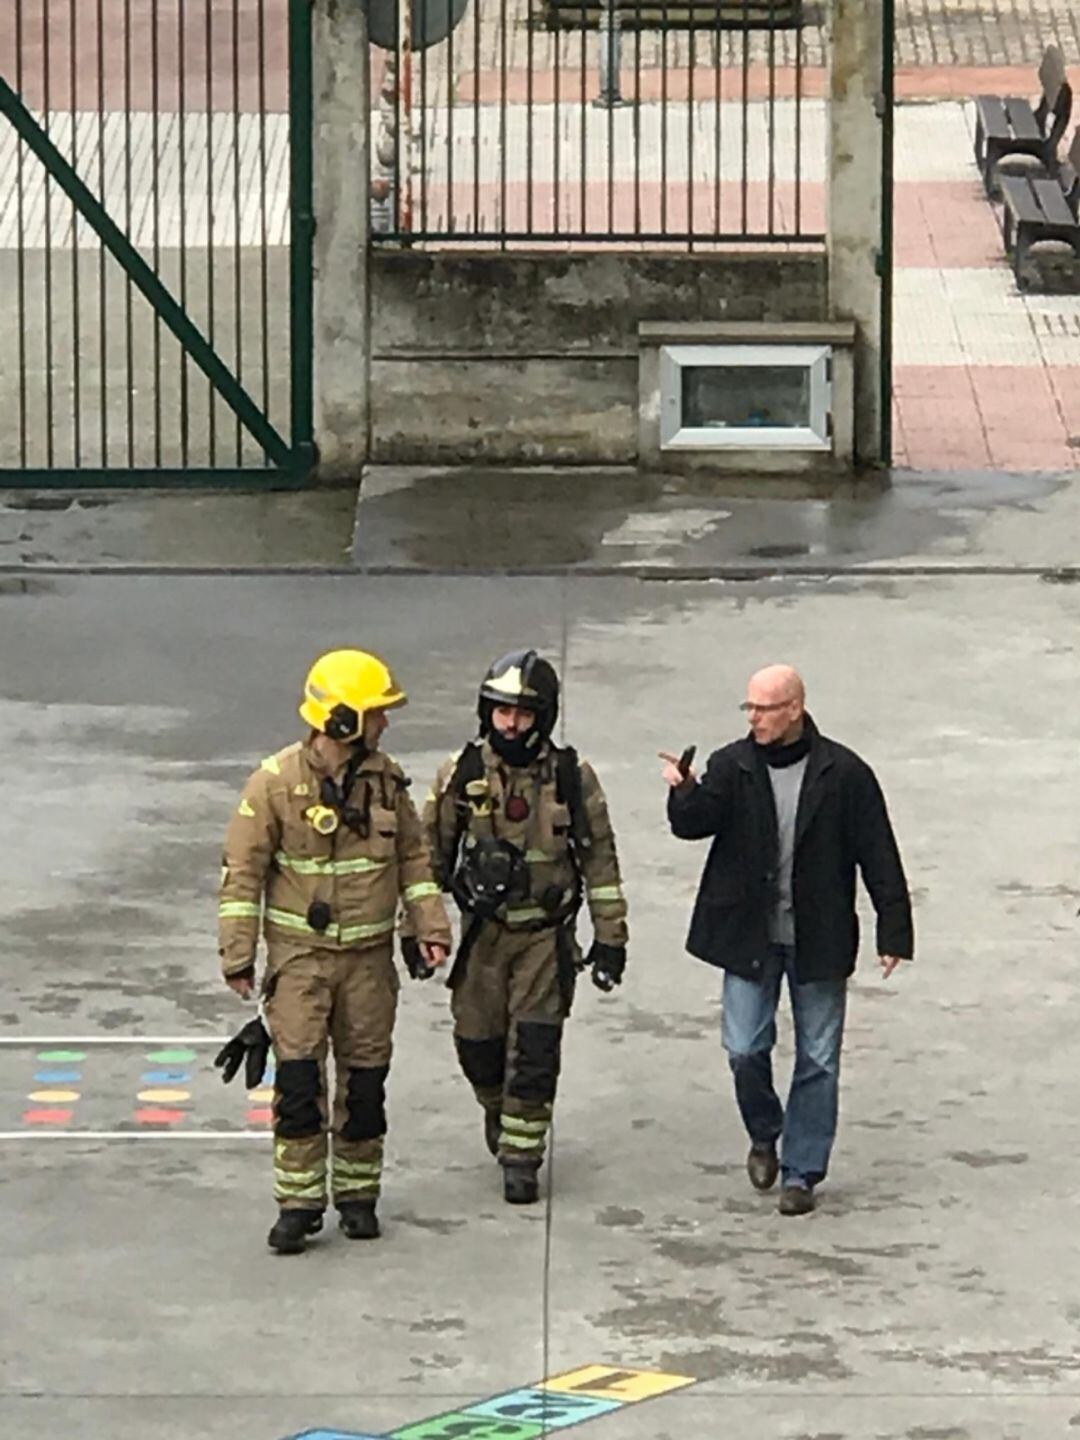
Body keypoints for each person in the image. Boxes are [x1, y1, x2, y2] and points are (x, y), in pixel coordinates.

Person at [218, 649, 451, 1254]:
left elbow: (414, 862)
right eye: (377, 714)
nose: (385, 725)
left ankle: (357, 1196)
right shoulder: (272, 785)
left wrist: (430, 926)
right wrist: (238, 956)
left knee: (365, 1083)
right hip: (301, 963)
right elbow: (243, 873)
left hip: (370, 963)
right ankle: (298, 1205)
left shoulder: (388, 782)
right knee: (297, 1084)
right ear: (343, 720)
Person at [661, 664, 912, 1216]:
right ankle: (764, 1131)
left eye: (764, 708)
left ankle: (802, 1171)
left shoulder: (844, 773)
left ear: (794, 708)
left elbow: (879, 852)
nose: (754, 718)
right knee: (744, 1048)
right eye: (748, 708)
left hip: (817, 938)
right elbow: (694, 823)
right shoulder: (734, 765)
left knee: (819, 1059)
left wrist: (893, 928)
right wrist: (684, 792)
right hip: (748, 934)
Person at [423, 649, 628, 1205]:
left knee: (536, 1051)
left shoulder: (571, 778)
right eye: (501, 712)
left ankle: (521, 1157)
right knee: (477, 1047)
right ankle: (497, 1107)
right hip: (483, 940)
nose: (511, 725)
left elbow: (601, 863)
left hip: (544, 937)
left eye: (524, 714)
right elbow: (425, 862)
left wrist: (611, 938)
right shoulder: (460, 774)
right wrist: (419, 930)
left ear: (546, 716)